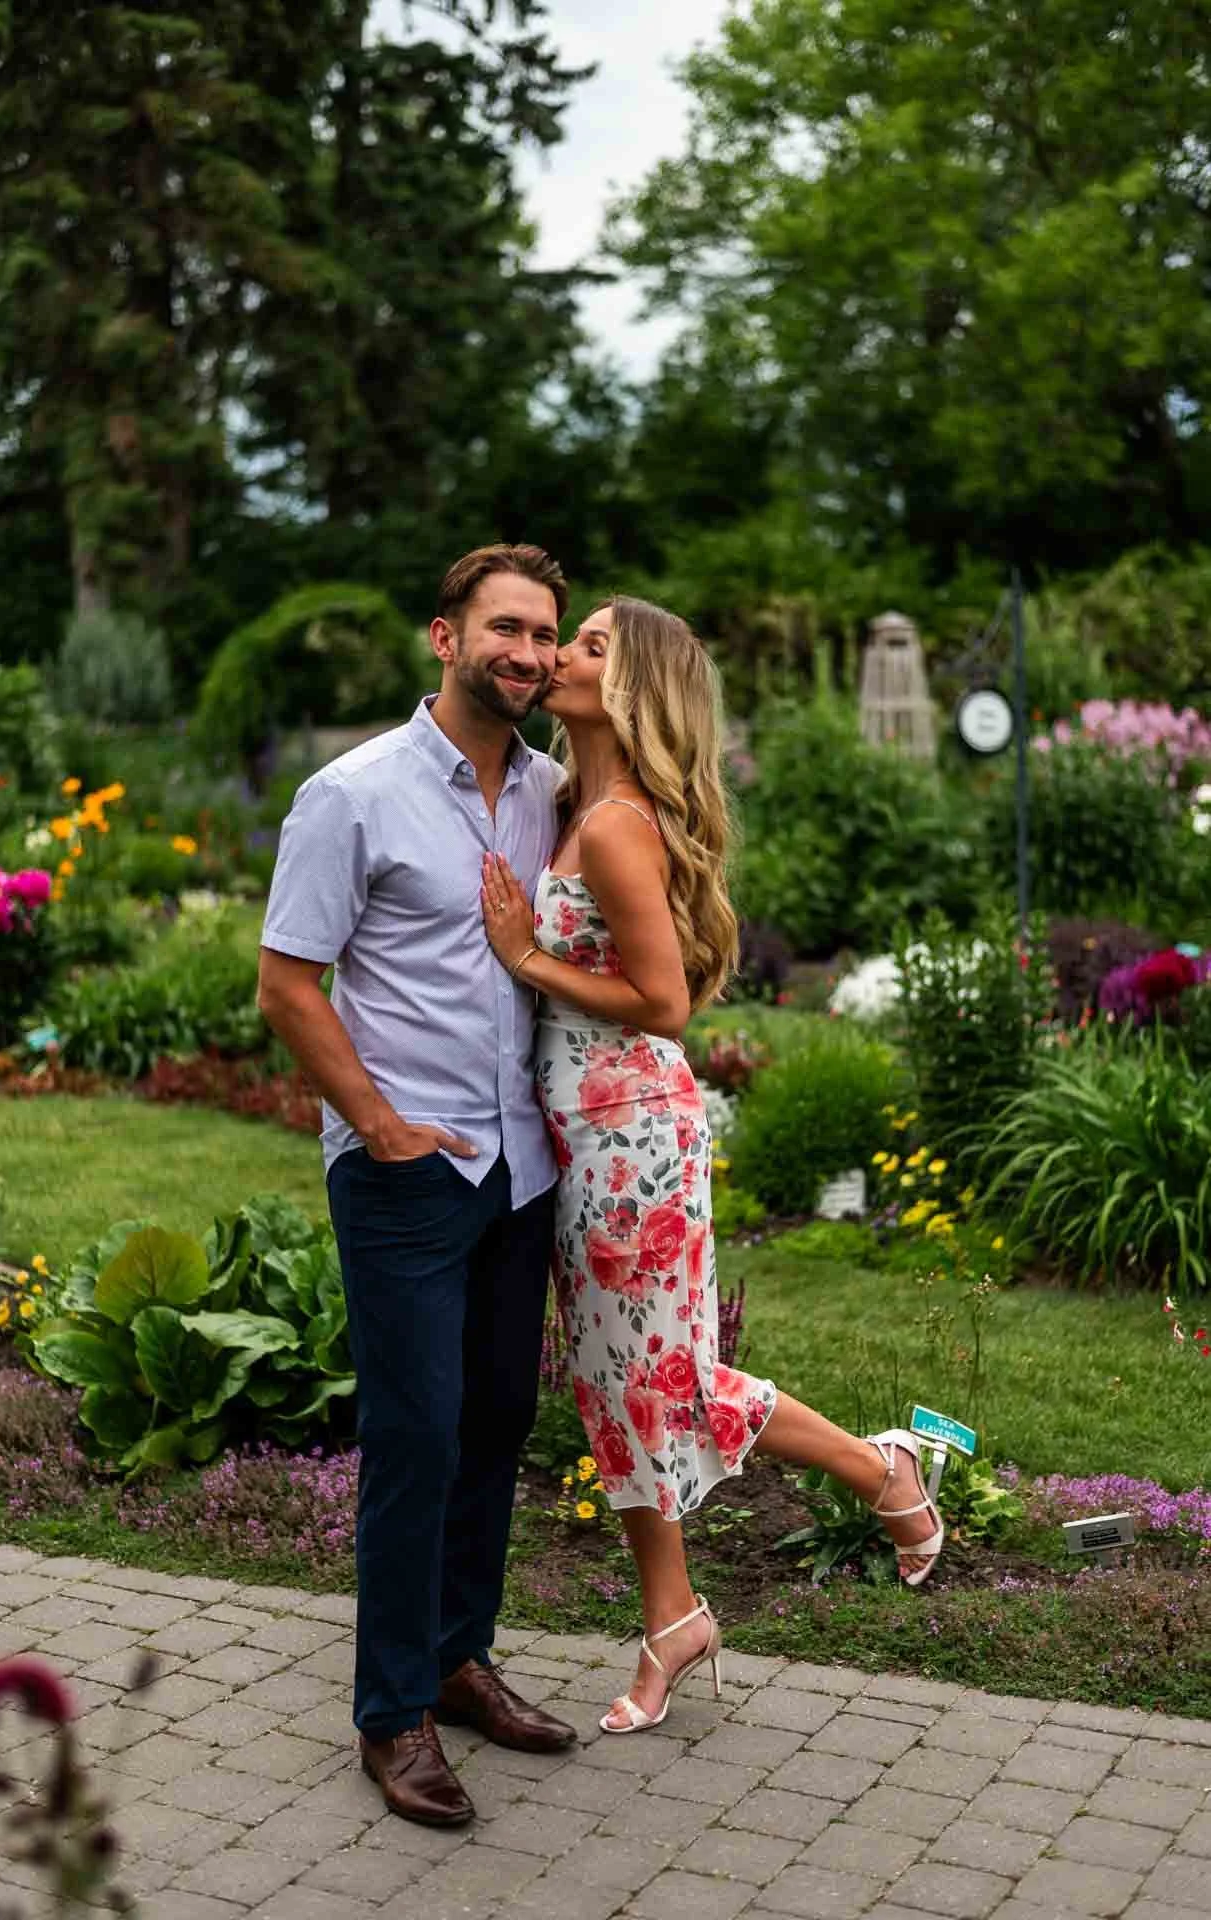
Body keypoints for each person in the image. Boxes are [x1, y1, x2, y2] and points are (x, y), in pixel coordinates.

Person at [481, 594, 944, 1734]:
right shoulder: (564, 794)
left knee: (668, 1383)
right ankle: (674, 1619)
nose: (559, 658)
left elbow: (665, 1003)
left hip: (632, 1133)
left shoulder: (615, 823)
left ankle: (880, 1471)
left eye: (587, 645)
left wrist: (528, 957)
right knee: (610, 1390)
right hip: (579, 1129)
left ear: (631, 682)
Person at [257, 544, 578, 1829]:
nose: (528, 652)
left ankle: (457, 1658)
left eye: (545, 634)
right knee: (414, 1438)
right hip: (408, 1175)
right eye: (505, 627)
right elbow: (287, 984)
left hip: (522, 1170)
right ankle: (388, 1714)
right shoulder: (351, 795)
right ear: (442, 639)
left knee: (496, 1421)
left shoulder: (551, 789)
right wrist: (379, 1125)